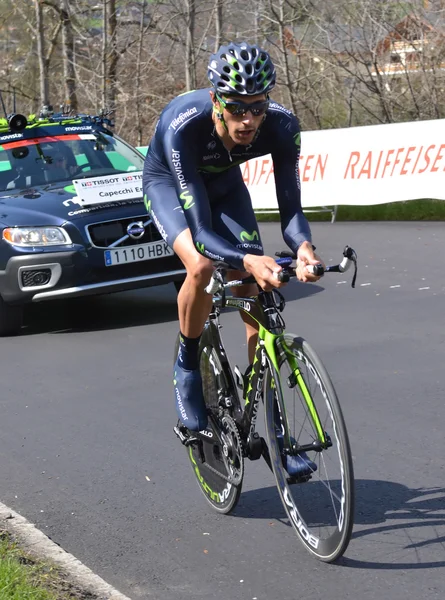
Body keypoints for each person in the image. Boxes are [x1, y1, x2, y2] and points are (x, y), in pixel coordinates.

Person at [142, 41, 324, 477]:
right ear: (215, 101)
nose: (249, 120)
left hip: (224, 184)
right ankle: (187, 367)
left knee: (254, 290)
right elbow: (201, 233)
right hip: (171, 184)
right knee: (203, 267)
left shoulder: (281, 126)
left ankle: (281, 433)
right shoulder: (186, 128)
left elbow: (291, 208)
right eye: (237, 108)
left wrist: (303, 248)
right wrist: (251, 258)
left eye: (257, 107)